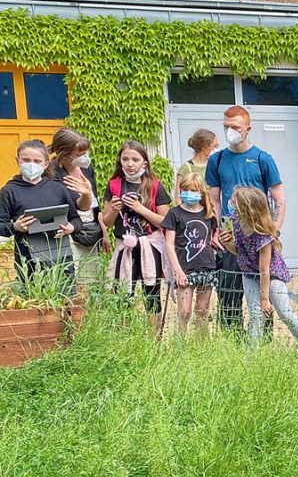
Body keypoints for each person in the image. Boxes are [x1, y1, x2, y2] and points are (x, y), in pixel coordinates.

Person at [206, 106, 285, 332]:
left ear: (247, 129)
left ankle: (264, 342)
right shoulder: (217, 160)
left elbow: (279, 200)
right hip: (231, 236)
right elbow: (214, 200)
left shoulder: (262, 159)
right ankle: (234, 341)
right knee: (229, 292)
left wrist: (273, 231)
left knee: (263, 289)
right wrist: (217, 230)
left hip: (259, 235)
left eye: (235, 127)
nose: (230, 131)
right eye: (226, 127)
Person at [221, 186, 298, 356]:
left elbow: (264, 270)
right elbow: (239, 250)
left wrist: (264, 298)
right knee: (255, 315)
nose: (230, 204)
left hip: (270, 275)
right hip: (249, 273)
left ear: (245, 208)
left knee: (285, 314)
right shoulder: (235, 223)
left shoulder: (263, 235)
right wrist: (227, 243)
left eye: (234, 201)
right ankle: (252, 356)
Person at [102, 141, 171, 330]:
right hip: (125, 246)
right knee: (123, 295)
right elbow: (107, 222)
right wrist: (115, 210)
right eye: (125, 159)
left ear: (144, 163)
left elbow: (165, 221)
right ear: (120, 161)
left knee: (152, 294)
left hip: (150, 245)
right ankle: (125, 336)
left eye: (135, 159)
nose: (130, 164)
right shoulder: (114, 185)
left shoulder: (155, 186)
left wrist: (140, 209)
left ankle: (153, 339)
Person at [0, 139, 79, 283]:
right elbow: (1, 225)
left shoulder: (58, 189)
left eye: (37, 161)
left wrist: (71, 227)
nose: (31, 164)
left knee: (66, 300)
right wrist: (15, 227)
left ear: (45, 164)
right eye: (26, 160)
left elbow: (75, 219)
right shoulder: (9, 191)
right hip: (27, 259)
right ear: (18, 161)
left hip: (61, 256)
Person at [162, 172, 217, 334]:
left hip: (206, 267)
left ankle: (200, 348)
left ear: (201, 192)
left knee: (202, 311)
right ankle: (181, 347)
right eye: (185, 189)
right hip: (184, 269)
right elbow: (169, 245)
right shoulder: (174, 214)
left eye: (193, 190)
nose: (188, 193)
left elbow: (213, 240)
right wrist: (177, 272)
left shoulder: (208, 214)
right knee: (184, 311)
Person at [49, 127, 105, 283]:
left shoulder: (87, 168)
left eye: (86, 152)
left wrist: (103, 231)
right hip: (69, 233)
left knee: (93, 281)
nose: (85, 158)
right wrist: (86, 194)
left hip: (92, 230)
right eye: (80, 155)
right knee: (73, 282)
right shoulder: (53, 174)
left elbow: (95, 203)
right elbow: (80, 206)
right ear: (64, 154)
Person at [174, 128, 218, 200]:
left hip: (212, 209)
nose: (216, 149)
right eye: (215, 146)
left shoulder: (214, 165)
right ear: (204, 148)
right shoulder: (186, 168)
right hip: (192, 209)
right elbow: (178, 196)